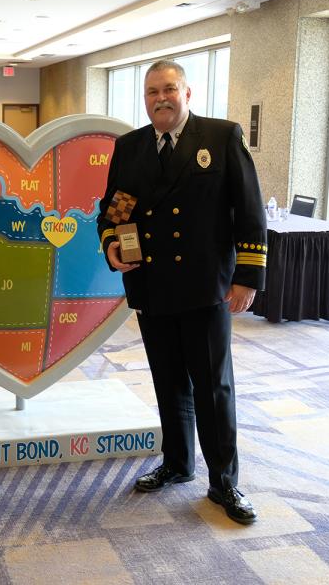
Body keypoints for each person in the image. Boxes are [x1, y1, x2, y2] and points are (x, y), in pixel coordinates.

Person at [97, 59, 266, 525]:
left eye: (169, 89)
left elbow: (250, 212)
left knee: (213, 388)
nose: (160, 99)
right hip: (153, 288)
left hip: (204, 287)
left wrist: (247, 277)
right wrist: (112, 247)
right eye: (152, 92)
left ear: (187, 93)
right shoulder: (130, 147)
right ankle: (177, 463)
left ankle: (225, 482)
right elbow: (112, 214)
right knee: (168, 383)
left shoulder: (221, 137)